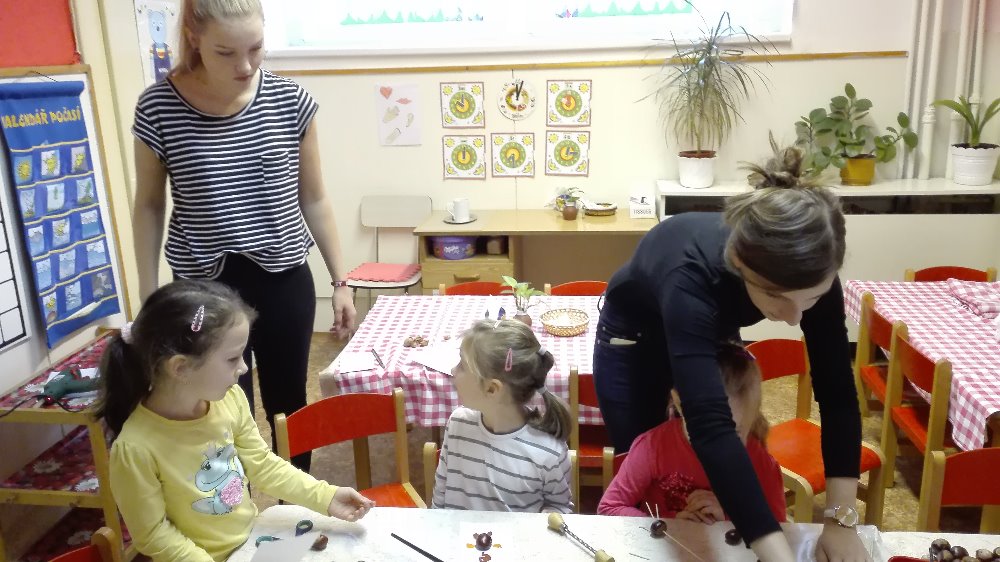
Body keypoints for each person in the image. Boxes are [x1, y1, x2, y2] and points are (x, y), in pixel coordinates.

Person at [594, 140, 869, 562]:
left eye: (811, 299)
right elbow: (710, 425)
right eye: (776, 297)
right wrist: (777, 557)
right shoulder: (690, 275)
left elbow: (837, 396)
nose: (795, 318)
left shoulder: (810, 272)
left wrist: (841, 521)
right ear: (740, 265)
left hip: (709, 324)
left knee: (729, 455)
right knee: (652, 463)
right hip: (636, 340)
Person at [131, 0, 355, 472]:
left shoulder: (290, 101)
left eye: (256, 48)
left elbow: (315, 198)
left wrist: (341, 281)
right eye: (226, 53)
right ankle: (233, 508)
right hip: (202, 287)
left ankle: (295, 504)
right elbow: (148, 205)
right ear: (194, 38)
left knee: (289, 404)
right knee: (217, 408)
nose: (246, 66)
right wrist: (149, 297)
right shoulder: (158, 107)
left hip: (282, 277)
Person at [94, 280, 374, 562]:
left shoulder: (230, 400)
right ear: (180, 367)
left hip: (253, 546)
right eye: (232, 359)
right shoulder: (134, 449)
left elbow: (263, 465)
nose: (243, 368)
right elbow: (153, 534)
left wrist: (327, 496)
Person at [598, 343, 785, 523]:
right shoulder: (653, 447)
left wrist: (728, 518)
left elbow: (779, 528)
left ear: (750, 422)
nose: (715, 446)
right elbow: (608, 508)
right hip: (664, 542)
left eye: (731, 434)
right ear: (678, 402)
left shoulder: (759, 461)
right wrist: (670, 525)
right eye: (704, 428)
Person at [432, 319, 573, 513]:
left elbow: (559, 507)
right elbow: (440, 496)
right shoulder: (457, 424)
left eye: (462, 365)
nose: (453, 371)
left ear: (492, 388)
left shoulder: (549, 452)